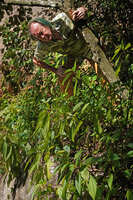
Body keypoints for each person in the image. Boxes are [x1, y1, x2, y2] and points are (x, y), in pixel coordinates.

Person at [28, 7, 97, 97]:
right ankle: (70, 106)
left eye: (42, 32)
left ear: (46, 25)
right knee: (63, 77)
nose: (42, 37)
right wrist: (56, 70)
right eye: (38, 37)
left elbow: (78, 10)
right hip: (74, 56)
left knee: (104, 73)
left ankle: (114, 102)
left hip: (89, 47)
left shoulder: (61, 19)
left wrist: (83, 10)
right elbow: (36, 61)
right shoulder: (43, 45)